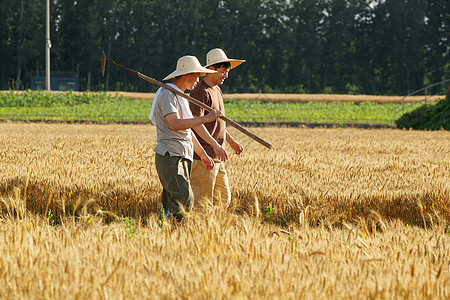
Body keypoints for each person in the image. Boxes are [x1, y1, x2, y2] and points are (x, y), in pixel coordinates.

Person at [149, 55, 227, 221]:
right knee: (185, 200)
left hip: (182, 155)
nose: (198, 81)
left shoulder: (180, 96)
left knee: (174, 201)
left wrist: (204, 155)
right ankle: (177, 232)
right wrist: (206, 118)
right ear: (186, 75)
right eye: (196, 76)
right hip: (170, 155)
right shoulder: (167, 95)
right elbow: (175, 124)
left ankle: (167, 232)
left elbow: (188, 131)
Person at [189, 48, 245, 207]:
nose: (226, 76)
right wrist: (214, 144)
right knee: (202, 203)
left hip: (217, 156)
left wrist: (231, 141)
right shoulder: (200, 92)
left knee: (223, 200)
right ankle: (197, 231)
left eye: (227, 72)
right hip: (203, 158)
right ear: (211, 69)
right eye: (223, 71)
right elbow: (196, 123)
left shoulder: (217, 90)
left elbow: (218, 123)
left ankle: (215, 230)